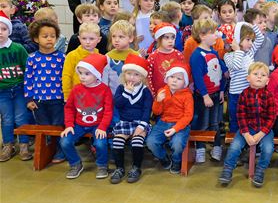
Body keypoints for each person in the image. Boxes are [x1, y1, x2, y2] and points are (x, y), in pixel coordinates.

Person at [219, 62, 275, 187]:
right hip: (246, 129)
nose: (259, 77)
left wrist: (260, 134)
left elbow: (271, 117)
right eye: (255, 74)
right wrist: (246, 134)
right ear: (248, 78)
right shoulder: (244, 94)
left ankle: (260, 170)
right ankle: (227, 169)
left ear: (267, 81)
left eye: (263, 75)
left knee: (268, 148)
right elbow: (241, 115)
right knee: (234, 147)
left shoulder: (269, 96)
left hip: (264, 130)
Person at [60, 53, 113, 179]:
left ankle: (102, 165)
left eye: (87, 74)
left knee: (100, 144)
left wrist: (102, 127)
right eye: (80, 73)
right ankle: (76, 164)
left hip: (98, 125)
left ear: (96, 75)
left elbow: (108, 111)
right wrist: (68, 125)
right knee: (65, 141)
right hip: (78, 125)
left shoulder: (105, 90)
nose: (82, 77)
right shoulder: (76, 89)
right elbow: (69, 108)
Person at [24, 19, 66, 163]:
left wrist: (66, 98)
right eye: (45, 36)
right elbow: (28, 80)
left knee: (58, 126)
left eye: (52, 36)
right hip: (39, 101)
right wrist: (29, 99)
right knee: (44, 127)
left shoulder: (62, 57)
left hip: (58, 100)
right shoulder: (32, 59)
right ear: (36, 38)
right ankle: (47, 152)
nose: (49, 39)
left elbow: (65, 79)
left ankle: (61, 151)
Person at [110, 54, 153, 184]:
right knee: (117, 141)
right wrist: (127, 92)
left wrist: (141, 126)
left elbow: (147, 110)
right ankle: (119, 168)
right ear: (124, 74)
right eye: (129, 74)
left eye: (136, 75)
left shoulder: (145, 91)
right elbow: (118, 104)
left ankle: (136, 167)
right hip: (124, 122)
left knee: (137, 141)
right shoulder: (121, 88)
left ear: (142, 77)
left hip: (140, 122)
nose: (132, 77)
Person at [190, 19, 227, 163]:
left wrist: (222, 90)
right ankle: (200, 149)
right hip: (204, 96)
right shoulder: (197, 55)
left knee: (216, 123)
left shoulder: (214, 52)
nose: (216, 35)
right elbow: (198, 78)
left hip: (217, 94)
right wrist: (205, 95)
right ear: (202, 35)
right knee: (203, 124)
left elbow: (220, 71)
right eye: (213, 33)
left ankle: (216, 147)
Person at [146, 62, 194, 174]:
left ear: (185, 83)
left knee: (177, 143)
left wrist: (175, 128)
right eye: (172, 77)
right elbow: (157, 112)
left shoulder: (187, 95)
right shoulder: (162, 91)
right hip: (163, 122)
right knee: (151, 142)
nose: (174, 80)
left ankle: (176, 160)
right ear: (167, 78)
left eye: (179, 78)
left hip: (180, 124)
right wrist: (158, 101)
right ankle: (163, 158)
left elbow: (188, 116)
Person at [0, 11, 31, 162]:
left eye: (3, 29)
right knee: (6, 119)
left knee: (21, 117)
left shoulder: (18, 48)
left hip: (19, 89)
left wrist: (28, 89)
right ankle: (8, 145)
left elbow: (27, 69)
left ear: (9, 31)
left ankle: (24, 145)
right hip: (2, 91)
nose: (0, 32)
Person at [225, 22, 264, 133]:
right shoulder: (228, 56)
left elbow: (260, 38)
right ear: (238, 39)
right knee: (236, 122)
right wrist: (237, 50)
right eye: (248, 40)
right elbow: (236, 66)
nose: (251, 43)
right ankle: (236, 147)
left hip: (250, 94)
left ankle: (248, 146)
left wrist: (249, 24)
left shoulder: (250, 53)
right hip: (236, 96)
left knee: (250, 121)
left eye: (251, 40)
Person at [62, 23, 102, 101]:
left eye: (91, 39)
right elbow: (66, 76)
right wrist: (67, 95)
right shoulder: (72, 56)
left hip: (95, 97)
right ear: (79, 39)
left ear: (99, 39)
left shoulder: (101, 57)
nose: (87, 42)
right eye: (84, 38)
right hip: (77, 96)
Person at [147, 23, 185, 96]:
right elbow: (149, 78)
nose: (170, 41)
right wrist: (153, 94)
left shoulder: (179, 55)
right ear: (158, 39)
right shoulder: (152, 57)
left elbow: (183, 75)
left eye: (172, 37)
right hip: (159, 95)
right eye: (166, 38)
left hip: (176, 95)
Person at [101, 20, 138, 94]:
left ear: (130, 38)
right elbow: (104, 81)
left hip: (133, 97)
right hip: (113, 97)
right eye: (114, 36)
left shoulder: (137, 56)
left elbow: (141, 78)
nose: (116, 40)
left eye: (121, 37)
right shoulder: (107, 57)